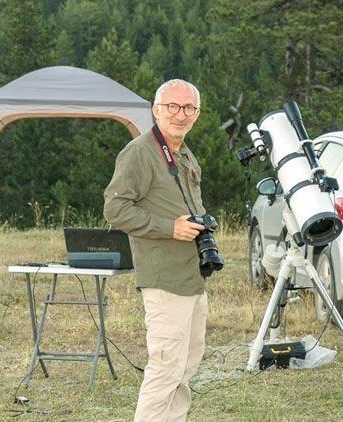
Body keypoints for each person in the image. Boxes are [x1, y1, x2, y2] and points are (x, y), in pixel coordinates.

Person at [104, 79, 208, 421]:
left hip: (192, 277)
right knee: (165, 369)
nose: (181, 115)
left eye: (189, 108)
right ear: (156, 110)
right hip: (164, 279)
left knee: (185, 369)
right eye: (173, 107)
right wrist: (169, 228)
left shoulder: (185, 153)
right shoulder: (139, 152)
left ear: (197, 114)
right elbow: (115, 209)